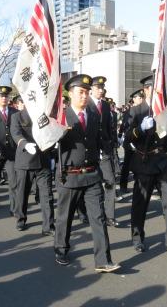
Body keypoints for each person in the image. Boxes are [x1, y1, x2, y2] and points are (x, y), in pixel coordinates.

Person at [54, 74, 120, 273]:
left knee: (98, 217)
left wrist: (112, 158)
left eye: (87, 92)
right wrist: (57, 133)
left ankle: (103, 259)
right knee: (65, 216)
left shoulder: (94, 114)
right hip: (70, 174)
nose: (85, 96)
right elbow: (46, 144)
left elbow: (101, 140)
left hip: (91, 174)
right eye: (81, 92)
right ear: (70, 94)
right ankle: (61, 248)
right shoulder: (60, 117)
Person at [126, 75, 167, 255]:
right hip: (144, 162)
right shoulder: (136, 111)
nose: (158, 93)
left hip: (161, 162)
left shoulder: (164, 113)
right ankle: (137, 238)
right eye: (154, 89)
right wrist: (140, 130)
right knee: (140, 204)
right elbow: (129, 136)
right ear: (146, 90)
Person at [10, 96, 55, 234]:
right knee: (22, 193)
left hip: (43, 160)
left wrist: (53, 147)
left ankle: (48, 226)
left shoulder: (44, 116)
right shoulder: (17, 117)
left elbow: (50, 133)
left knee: (47, 195)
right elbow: (16, 133)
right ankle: (21, 219)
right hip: (25, 161)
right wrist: (24, 143)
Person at [88, 76, 119, 227]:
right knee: (89, 184)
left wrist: (111, 143)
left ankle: (110, 216)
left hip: (105, 150)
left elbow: (108, 127)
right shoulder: (85, 104)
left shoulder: (106, 106)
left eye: (102, 88)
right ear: (91, 89)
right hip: (90, 151)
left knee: (110, 182)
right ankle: (87, 213)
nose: (101, 90)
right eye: (98, 87)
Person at [119, 89, 144, 194]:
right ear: (134, 99)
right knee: (127, 164)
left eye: (142, 97)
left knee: (139, 165)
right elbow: (126, 126)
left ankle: (139, 186)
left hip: (140, 142)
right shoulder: (130, 111)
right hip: (131, 142)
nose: (141, 99)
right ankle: (123, 185)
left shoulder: (144, 109)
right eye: (139, 97)